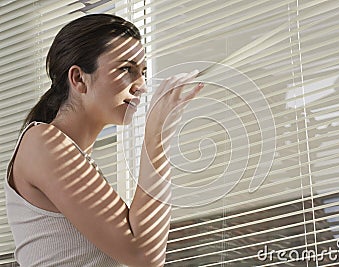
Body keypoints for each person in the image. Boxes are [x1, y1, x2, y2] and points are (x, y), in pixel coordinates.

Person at [5, 14, 203, 267]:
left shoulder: (65, 153)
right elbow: (145, 257)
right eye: (126, 70)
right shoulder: (43, 143)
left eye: (143, 72)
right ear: (78, 79)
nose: (141, 85)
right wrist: (156, 137)